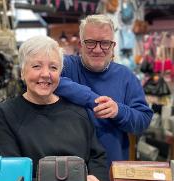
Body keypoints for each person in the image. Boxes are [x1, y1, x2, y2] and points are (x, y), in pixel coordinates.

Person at [0, 36, 109, 181]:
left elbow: (97, 157)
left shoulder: (78, 113)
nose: (46, 74)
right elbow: (11, 175)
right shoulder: (6, 114)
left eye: (53, 67)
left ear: (60, 73)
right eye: (36, 66)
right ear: (22, 72)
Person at [55, 15, 153, 166]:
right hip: (67, 167)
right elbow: (47, 79)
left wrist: (118, 111)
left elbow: (143, 120)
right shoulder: (66, 66)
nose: (98, 49)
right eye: (90, 43)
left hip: (111, 169)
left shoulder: (126, 77)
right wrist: (90, 98)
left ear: (113, 46)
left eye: (105, 43)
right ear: (81, 44)